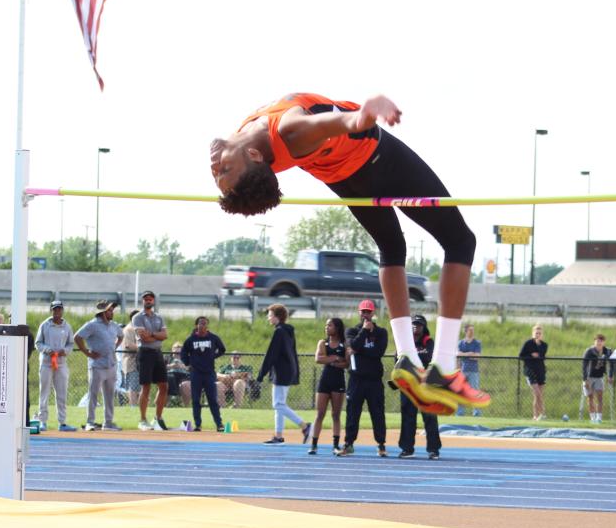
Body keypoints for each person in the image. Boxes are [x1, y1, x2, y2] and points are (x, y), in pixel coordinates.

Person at [209, 93, 489, 414]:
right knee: (460, 242)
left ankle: (408, 360)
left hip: (343, 176)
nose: (215, 165)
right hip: (375, 156)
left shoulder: (244, 145)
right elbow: (343, 122)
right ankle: (442, 366)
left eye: (219, 172)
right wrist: (367, 112)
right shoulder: (291, 129)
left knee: (391, 247)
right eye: (223, 169)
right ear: (256, 155)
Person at [339, 300, 389, 457]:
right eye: (363, 311)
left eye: (368, 311)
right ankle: (349, 444)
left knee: (377, 413)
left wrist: (358, 350)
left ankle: (381, 444)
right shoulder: (352, 331)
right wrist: (364, 332)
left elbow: (378, 352)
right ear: (359, 312)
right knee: (352, 412)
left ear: (373, 313)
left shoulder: (381, 332)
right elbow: (353, 345)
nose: (366, 314)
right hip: (356, 379)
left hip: (374, 380)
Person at [256, 304, 310, 445]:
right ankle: (278, 436)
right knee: (280, 404)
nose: (268, 317)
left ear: (277, 317)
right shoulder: (287, 331)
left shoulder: (279, 332)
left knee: (278, 404)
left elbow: (271, 355)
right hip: (286, 371)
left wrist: (261, 374)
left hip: (282, 372)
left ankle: (305, 426)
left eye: (270, 315)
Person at [74, 300, 124, 431]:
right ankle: (90, 422)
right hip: (97, 365)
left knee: (109, 395)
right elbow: (77, 337)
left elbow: (121, 335)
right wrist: (87, 352)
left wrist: (115, 346)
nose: (112, 312)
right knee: (93, 394)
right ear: (102, 312)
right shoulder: (92, 325)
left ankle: (108, 423)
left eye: (112, 309)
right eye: (109, 310)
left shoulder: (113, 325)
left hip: (111, 365)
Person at [398, 315, 442, 460]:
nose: (416, 327)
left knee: (430, 417)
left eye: (419, 324)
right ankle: (407, 448)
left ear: (424, 327)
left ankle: (433, 449)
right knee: (408, 417)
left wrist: (412, 359)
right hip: (409, 386)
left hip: (425, 386)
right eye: (414, 324)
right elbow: (398, 361)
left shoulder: (428, 342)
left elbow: (429, 359)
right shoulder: (405, 342)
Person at [34, 301, 76, 432]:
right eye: (55, 309)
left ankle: (62, 422)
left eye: (59, 309)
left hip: (61, 364)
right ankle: (42, 421)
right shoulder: (45, 325)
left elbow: (71, 344)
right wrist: (47, 350)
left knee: (62, 393)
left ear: (62, 311)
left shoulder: (67, 326)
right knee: (44, 392)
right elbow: (38, 343)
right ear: (51, 311)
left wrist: (66, 351)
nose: (57, 312)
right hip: (46, 364)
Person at [132, 290, 170, 431]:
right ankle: (142, 419)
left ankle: (158, 418)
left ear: (153, 301)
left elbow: (165, 335)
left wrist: (153, 334)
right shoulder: (137, 317)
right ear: (143, 301)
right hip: (145, 353)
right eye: (146, 299)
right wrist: (156, 336)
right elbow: (144, 338)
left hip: (157, 353)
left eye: (150, 299)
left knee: (164, 386)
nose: (148, 301)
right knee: (146, 387)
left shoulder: (159, 317)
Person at [180, 316, 226, 431]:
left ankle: (219, 424)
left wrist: (213, 356)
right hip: (196, 374)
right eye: (200, 323)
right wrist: (188, 362)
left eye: (204, 324)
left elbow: (222, 349)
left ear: (207, 326)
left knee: (212, 400)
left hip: (209, 373)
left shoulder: (213, 338)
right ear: (196, 325)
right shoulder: (191, 339)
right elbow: (183, 352)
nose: (202, 325)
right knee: (196, 400)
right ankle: (198, 425)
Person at [309, 317, 347, 455]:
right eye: (326, 325)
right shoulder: (323, 343)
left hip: (338, 381)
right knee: (319, 414)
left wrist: (331, 360)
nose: (326, 328)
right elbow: (318, 359)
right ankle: (313, 444)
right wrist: (335, 358)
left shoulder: (344, 344)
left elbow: (346, 363)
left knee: (336, 415)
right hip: (325, 380)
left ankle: (336, 445)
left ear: (337, 328)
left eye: (329, 325)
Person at [519, 324, 548, 421]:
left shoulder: (544, 345)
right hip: (530, 370)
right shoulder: (527, 344)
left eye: (539, 333)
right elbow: (521, 356)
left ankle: (537, 416)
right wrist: (531, 355)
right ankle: (540, 414)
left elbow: (541, 355)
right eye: (536, 333)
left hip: (540, 370)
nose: (538, 335)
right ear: (533, 333)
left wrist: (538, 352)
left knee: (539, 395)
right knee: (537, 393)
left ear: (542, 335)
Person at [581, 334, 612, 424]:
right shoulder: (589, 351)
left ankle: (599, 418)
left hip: (599, 377)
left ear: (604, 342)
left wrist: (610, 375)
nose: (599, 343)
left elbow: (612, 362)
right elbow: (584, 365)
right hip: (589, 377)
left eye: (601, 341)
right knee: (590, 397)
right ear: (594, 341)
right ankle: (592, 418)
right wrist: (585, 379)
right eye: (597, 341)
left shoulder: (607, 351)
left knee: (600, 397)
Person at [455, 323, 482, 417]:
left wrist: (465, 354)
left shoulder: (477, 343)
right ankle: (460, 413)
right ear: (466, 331)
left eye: (473, 330)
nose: (472, 332)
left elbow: (477, 357)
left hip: (474, 371)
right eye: (470, 330)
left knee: (475, 392)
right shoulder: (461, 343)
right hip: (463, 370)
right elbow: (458, 355)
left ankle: (477, 413)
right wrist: (469, 354)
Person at [118, 309, 141, 406]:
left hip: (139, 364)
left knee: (139, 388)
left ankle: (138, 408)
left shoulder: (138, 329)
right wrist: (145, 349)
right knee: (132, 388)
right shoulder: (128, 329)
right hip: (131, 363)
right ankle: (133, 408)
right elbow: (128, 345)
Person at [166, 342, 193, 407]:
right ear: (172, 351)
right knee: (168, 380)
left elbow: (193, 368)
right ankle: (165, 405)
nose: (177, 354)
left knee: (185, 384)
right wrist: (171, 366)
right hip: (171, 375)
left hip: (184, 376)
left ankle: (186, 407)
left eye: (179, 353)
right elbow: (161, 367)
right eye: (175, 352)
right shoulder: (167, 358)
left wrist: (184, 367)